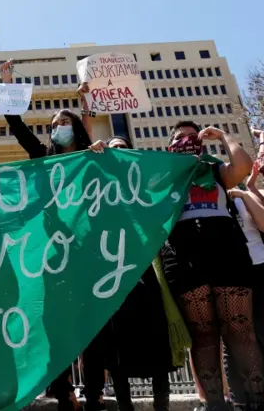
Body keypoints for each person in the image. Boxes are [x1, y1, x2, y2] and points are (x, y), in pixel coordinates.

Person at [0, 60, 92, 411]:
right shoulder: (43, 159)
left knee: (90, 321)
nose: (58, 129)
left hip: (87, 249)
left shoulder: (91, 159)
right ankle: (63, 387)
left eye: (64, 123)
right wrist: (8, 83)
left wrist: (87, 104)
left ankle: (94, 393)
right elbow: (17, 126)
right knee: (53, 320)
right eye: (54, 125)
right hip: (53, 252)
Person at [161, 120, 264, 411]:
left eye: (192, 138)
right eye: (180, 139)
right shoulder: (162, 177)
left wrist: (221, 136)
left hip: (226, 250)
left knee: (239, 328)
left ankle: (255, 403)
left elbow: (242, 167)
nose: (187, 141)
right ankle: (217, 406)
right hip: (184, 255)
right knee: (203, 334)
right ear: (170, 148)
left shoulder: (215, 170)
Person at [84, 135, 177, 411]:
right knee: (117, 349)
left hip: (147, 272)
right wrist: (92, 156)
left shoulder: (145, 186)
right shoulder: (99, 186)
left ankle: (162, 406)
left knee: (157, 343)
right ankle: (126, 406)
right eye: (114, 149)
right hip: (113, 274)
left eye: (123, 148)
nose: (119, 153)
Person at [227, 130, 264, 411]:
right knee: (245, 341)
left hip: (261, 269)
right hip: (231, 277)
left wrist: (243, 193)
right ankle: (257, 401)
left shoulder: (241, 195)